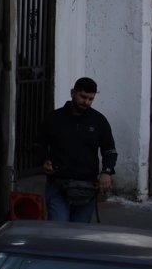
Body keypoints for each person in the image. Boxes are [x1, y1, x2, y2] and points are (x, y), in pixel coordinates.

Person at [37, 77, 117, 223]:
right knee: (58, 229)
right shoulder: (54, 118)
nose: (86, 102)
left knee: (79, 232)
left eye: (90, 99)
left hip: (87, 188)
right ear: (72, 93)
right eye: (83, 97)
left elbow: (110, 150)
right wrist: (44, 160)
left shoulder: (99, 121)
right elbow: (39, 144)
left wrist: (106, 172)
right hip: (58, 185)